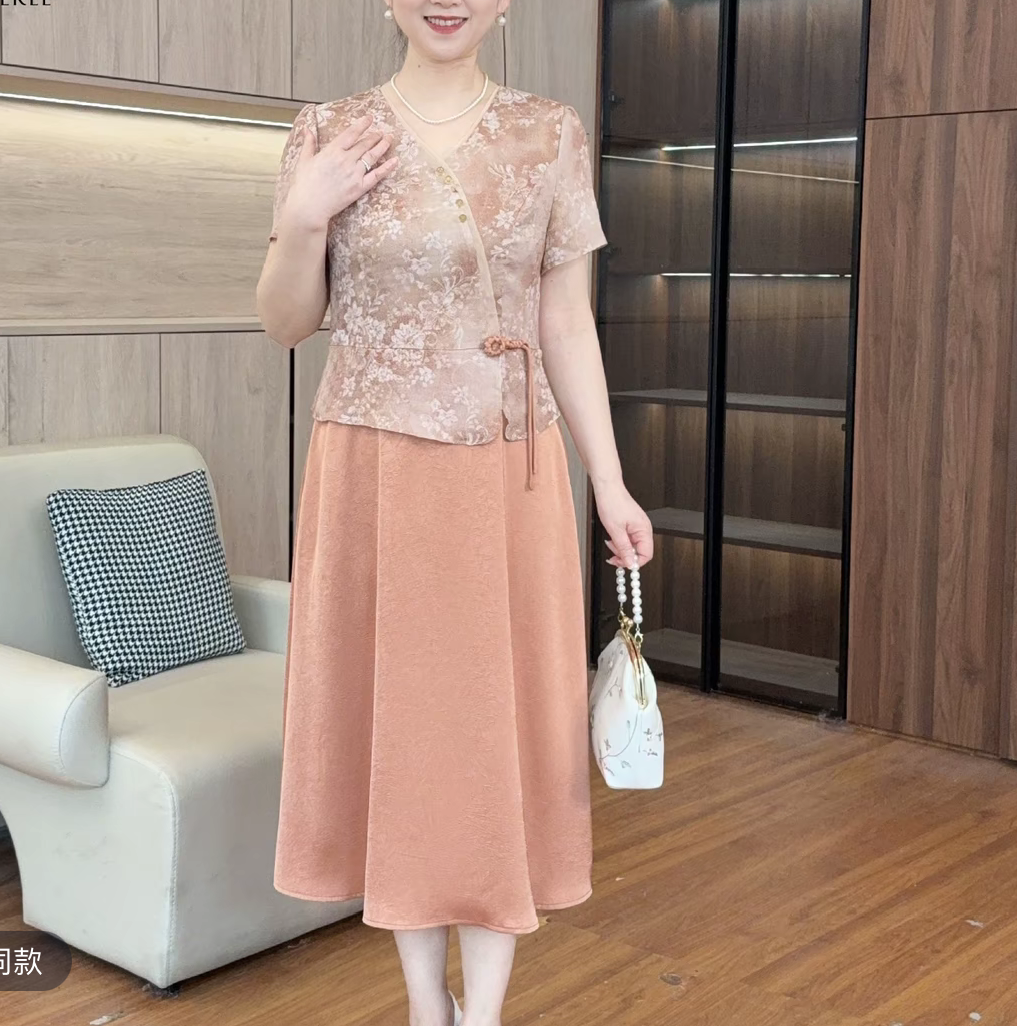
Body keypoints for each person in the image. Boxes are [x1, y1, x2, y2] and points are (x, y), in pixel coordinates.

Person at [256, 3, 654, 1024]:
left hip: (506, 473)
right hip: (373, 472)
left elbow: (566, 324)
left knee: (494, 733)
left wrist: (610, 483)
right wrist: (306, 213)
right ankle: (425, 1004)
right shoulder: (328, 131)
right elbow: (286, 321)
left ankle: (482, 1012)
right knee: (406, 731)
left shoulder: (549, 132)